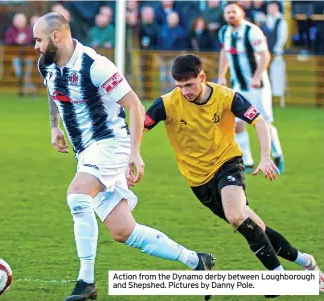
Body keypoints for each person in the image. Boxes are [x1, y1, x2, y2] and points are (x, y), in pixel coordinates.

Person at [33, 13, 215, 301]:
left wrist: (135, 153)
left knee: (77, 196)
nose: (36, 46)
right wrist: (55, 126)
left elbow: (135, 106)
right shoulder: (47, 64)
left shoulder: (95, 65)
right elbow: (53, 91)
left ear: (56, 37)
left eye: (39, 39)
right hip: (86, 152)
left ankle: (86, 282)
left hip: (111, 143)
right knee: (123, 230)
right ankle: (197, 261)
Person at [143, 54, 324, 297]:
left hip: (227, 163)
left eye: (189, 85)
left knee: (236, 215)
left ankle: (278, 276)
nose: (184, 92)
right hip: (198, 180)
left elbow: (259, 122)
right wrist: (133, 154)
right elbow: (139, 126)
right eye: (179, 86)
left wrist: (265, 156)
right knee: (256, 227)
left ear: (202, 77)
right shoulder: (167, 103)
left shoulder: (226, 96)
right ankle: (306, 263)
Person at [217, 1, 285, 173]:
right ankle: (247, 161)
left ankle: (277, 154)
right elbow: (224, 53)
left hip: (258, 86)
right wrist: (221, 76)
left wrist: (257, 76)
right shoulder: (224, 32)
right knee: (237, 122)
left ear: (241, 13)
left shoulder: (252, 30)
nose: (231, 15)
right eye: (227, 12)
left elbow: (265, 55)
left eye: (234, 11)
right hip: (238, 85)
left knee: (264, 122)